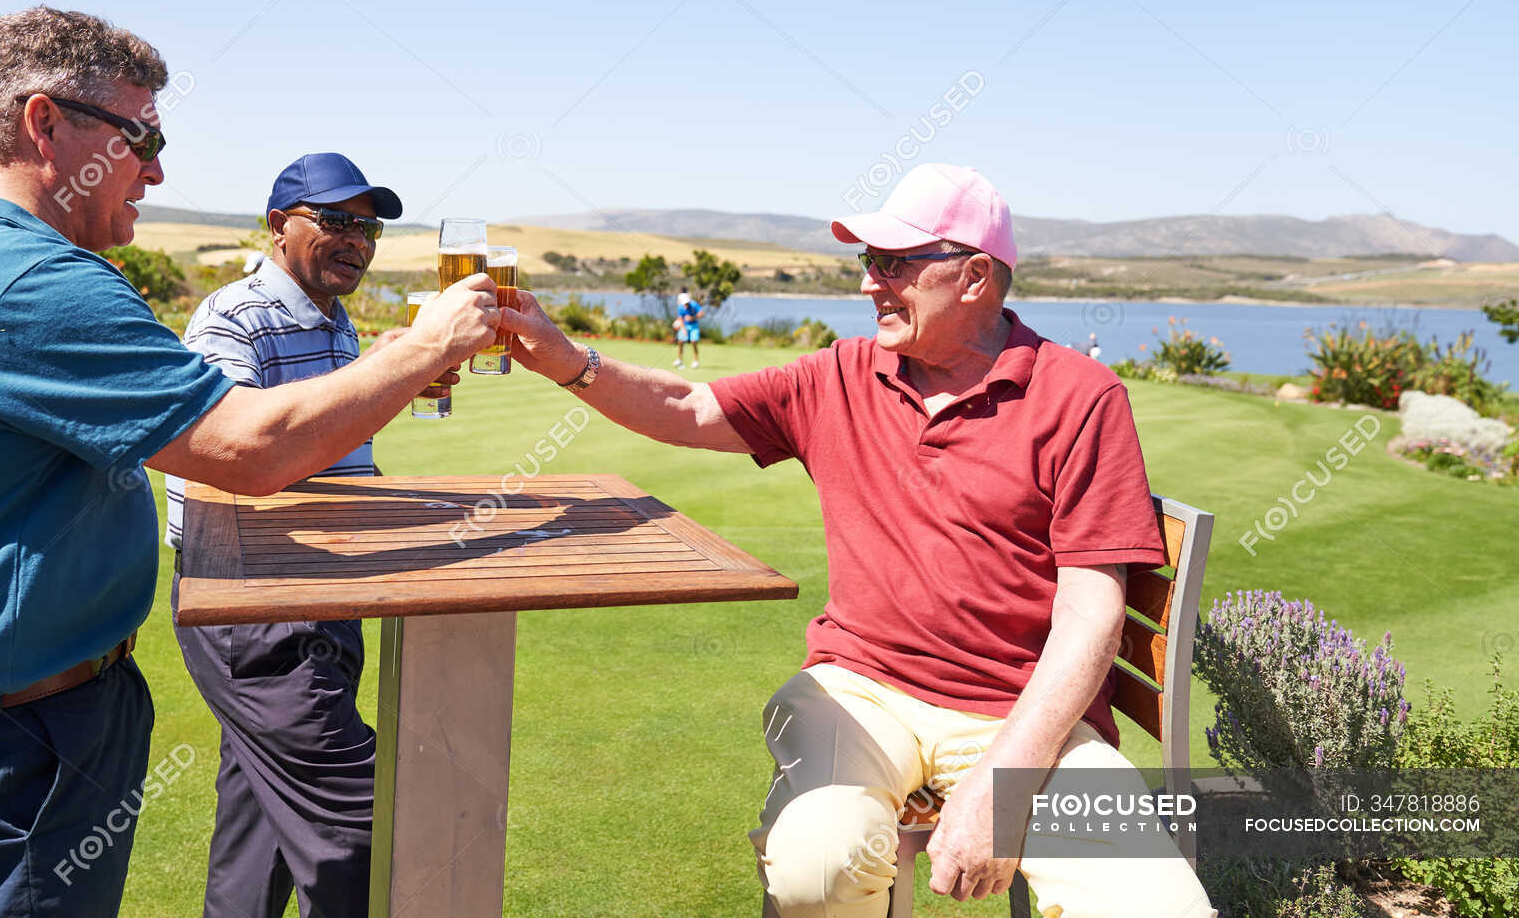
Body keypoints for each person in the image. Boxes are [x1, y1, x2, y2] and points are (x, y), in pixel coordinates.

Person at [0, 6, 497, 918]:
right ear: (45, 123)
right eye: (141, 133)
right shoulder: (30, 280)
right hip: (1, 752)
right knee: (376, 839)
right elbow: (248, 449)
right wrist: (426, 343)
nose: (158, 166)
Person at [498, 162, 1214, 918]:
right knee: (819, 870)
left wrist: (1003, 785)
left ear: (973, 276)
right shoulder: (839, 374)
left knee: (1161, 907)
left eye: (895, 264)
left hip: (1027, 715)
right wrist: (565, 359)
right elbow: (687, 403)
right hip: (863, 689)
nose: (871, 283)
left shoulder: (1079, 398)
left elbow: (1090, 616)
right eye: (868, 262)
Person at [163, 152, 401, 918]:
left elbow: (328, 446)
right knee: (366, 832)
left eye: (366, 226)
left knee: (259, 821)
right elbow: (235, 456)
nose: (355, 240)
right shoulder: (233, 319)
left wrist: (391, 380)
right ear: (278, 226)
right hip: (254, 606)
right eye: (334, 219)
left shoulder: (337, 321)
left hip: (325, 596)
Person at [673, 290, 703, 369]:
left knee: (694, 342)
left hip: (694, 326)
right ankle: (679, 359)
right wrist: (683, 329)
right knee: (680, 342)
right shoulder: (680, 307)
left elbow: (701, 313)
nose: (685, 304)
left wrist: (693, 318)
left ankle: (696, 361)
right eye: (684, 303)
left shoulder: (694, 304)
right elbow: (680, 319)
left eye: (686, 303)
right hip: (685, 327)